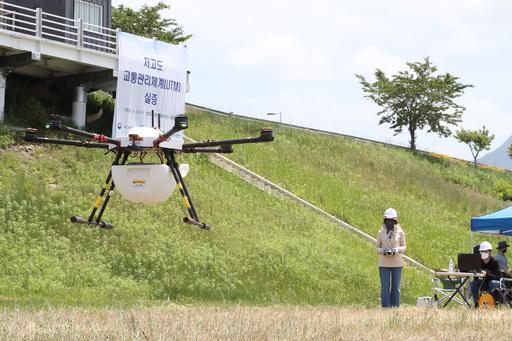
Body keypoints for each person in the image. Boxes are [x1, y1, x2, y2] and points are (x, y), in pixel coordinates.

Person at [376, 208, 406, 308]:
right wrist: (383, 251)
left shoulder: (400, 232)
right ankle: (385, 307)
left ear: (395, 221)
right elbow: (377, 248)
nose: (389, 222)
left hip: (397, 263)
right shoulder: (380, 232)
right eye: (387, 220)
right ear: (385, 220)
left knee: (395, 287)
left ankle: (395, 307)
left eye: (391, 220)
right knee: (385, 287)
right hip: (384, 262)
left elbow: (404, 246)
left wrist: (396, 250)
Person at [470, 241, 502, 307]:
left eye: (485, 251)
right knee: (474, 283)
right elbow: (476, 277)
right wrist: (476, 272)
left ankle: (495, 303)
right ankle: (477, 303)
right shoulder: (479, 261)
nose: (483, 253)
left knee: (492, 283)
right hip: (483, 282)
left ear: (490, 252)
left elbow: (497, 277)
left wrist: (487, 273)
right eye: (482, 251)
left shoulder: (495, 262)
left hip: (494, 283)